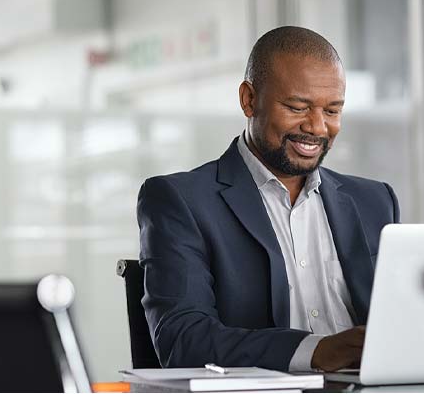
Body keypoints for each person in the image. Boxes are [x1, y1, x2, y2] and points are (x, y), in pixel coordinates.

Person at [137, 26, 399, 372]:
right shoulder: (181, 201)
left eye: (333, 111)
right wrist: (315, 351)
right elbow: (184, 340)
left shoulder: (375, 201)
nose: (318, 127)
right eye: (297, 107)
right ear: (249, 100)